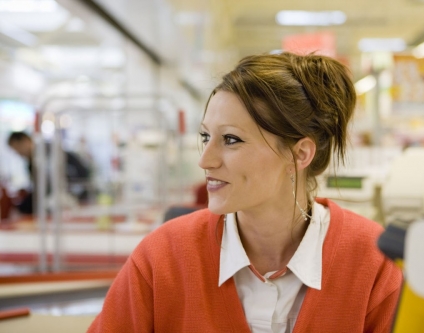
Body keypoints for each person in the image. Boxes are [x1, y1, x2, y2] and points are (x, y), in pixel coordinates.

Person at [88, 52, 402, 332]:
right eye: (206, 136)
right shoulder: (163, 257)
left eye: (231, 140)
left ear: (300, 154)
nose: (205, 160)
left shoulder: (373, 265)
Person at [7, 131, 91, 214]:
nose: (18, 153)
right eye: (15, 151)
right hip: (49, 205)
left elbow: (80, 169)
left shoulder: (47, 152)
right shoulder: (31, 162)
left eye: (17, 148)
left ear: (25, 141)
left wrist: (76, 192)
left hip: (63, 202)